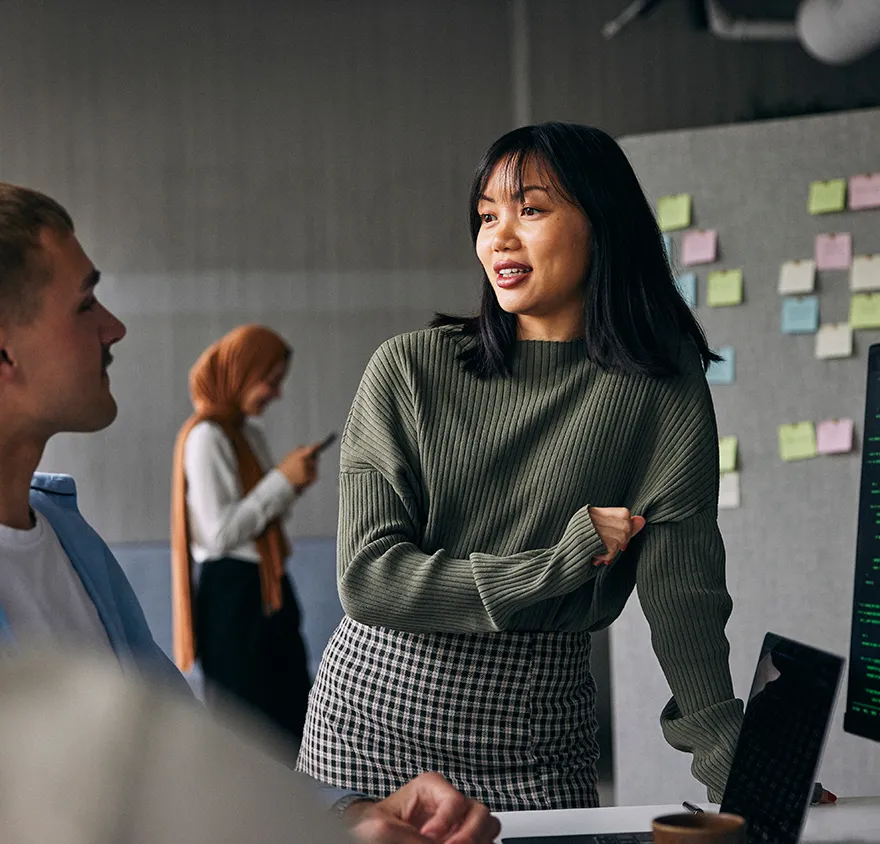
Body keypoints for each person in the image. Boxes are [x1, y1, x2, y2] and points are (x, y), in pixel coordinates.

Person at [0, 181, 499, 844]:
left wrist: (346, 814)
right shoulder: (206, 441)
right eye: (85, 303)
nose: (114, 327)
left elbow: (182, 764)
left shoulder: (69, 537)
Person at [298, 122, 744, 811]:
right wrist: (555, 564)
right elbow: (367, 580)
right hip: (368, 728)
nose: (498, 238)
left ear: (603, 223)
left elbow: (683, 592)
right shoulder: (409, 368)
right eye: (486, 216)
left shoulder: (662, 385)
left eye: (530, 210)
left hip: (537, 734)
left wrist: (737, 766)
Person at [171, 324, 323, 745]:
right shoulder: (205, 437)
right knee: (247, 730)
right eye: (269, 381)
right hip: (233, 597)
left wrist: (291, 483)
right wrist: (280, 481)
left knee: (292, 718)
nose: (275, 394)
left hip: (268, 588)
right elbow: (220, 534)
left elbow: (265, 520)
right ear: (239, 373)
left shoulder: (246, 434)